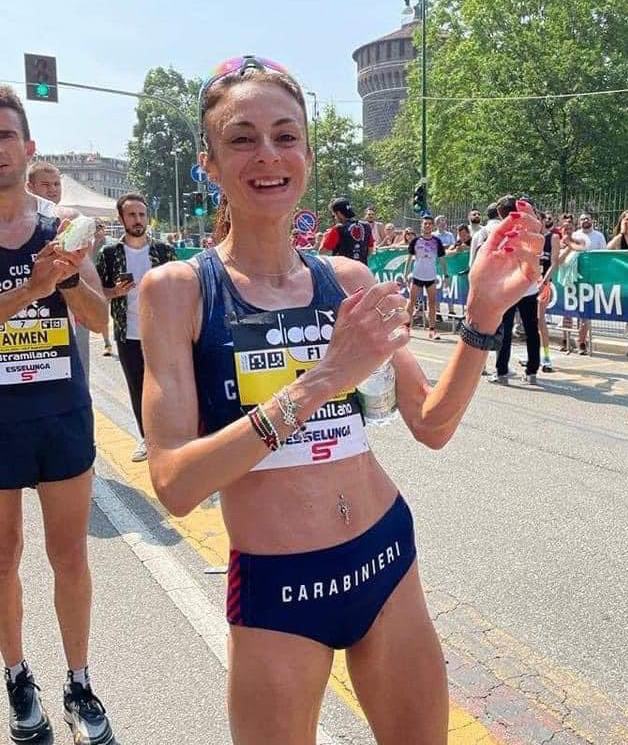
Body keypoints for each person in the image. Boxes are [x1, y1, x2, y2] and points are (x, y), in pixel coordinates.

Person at [138, 55, 542, 745]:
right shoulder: (179, 290)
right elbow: (175, 483)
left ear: (308, 155)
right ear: (210, 164)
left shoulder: (348, 278)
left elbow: (432, 424)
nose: (268, 155)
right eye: (242, 139)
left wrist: (482, 315)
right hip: (280, 589)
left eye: (285, 136)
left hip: (385, 559)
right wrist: (321, 380)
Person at [0, 87, 113, 745]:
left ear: (28, 147)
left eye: (5, 136)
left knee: (69, 554)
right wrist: (33, 287)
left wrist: (67, 278)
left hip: (62, 411)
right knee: (3, 555)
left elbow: (98, 318)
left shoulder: (63, 226)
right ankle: (18, 676)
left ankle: (79, 681)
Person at [95, 193, 176, 462]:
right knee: (138, 388)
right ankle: (147, 439)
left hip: (164, 333)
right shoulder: (109, 254)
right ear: (121, 219)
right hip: (127, 334)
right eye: (131, 215)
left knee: (169, 386)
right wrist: (114, 291)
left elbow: (182, 287)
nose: (138, 220)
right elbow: (96, 290)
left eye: (141, 214)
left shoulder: (164, 251)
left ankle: (173, 436)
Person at [26, 162, 95, 380]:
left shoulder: (71, 218)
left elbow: (87, 273)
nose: (53, 189)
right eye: (45, 184)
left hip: (69, 312)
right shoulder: (19, 223)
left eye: (56, 184)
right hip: (27, 321)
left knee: (76, 375)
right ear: (29, 186)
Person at [489, 194, 542, 385]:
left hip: (510, 287)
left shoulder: (499, 233)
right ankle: (532, 371)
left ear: (500, 214)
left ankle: (502, 371)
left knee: (505, 329)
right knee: (531, 330)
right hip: (528, 287)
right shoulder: (530, 231)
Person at [404, 215, 448, 340]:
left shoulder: (437, 241)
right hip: (417, 276)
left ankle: (432, 330)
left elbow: (442, 260)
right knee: (411, 302)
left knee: (432, 303)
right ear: (422, 226)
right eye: (425, 223)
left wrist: (446, 275)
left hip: (430, 277)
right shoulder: (415, 241)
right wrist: (406, 273)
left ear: (432, 226)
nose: (427, 225)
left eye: (430, 223)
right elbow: (409, 258)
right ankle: (406, 327)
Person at [537, 212, 561, 372]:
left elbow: (554, 263)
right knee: (531, 321)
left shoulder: (553, 238)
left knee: (540, 319)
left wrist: (544, 281)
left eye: (538, 219)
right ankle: (534, 354)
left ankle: (546, 358)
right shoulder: (532, 239)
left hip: (544, 284)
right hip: (529, 284)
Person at [320, 197, 374, 264]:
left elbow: (322, 252)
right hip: (362, 267)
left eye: (334, 215)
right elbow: (370, 250)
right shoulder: (366, 226)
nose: (335, 218)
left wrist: (325, 236)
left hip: (342, 268)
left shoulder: (338, 229)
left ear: (338, 213)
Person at [469, 203, 500, 267]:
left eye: (479, 214)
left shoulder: (478, 234)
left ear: (487, 216)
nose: (477, 216)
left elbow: (472, 263)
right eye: (474, 214)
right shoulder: (510, 231)